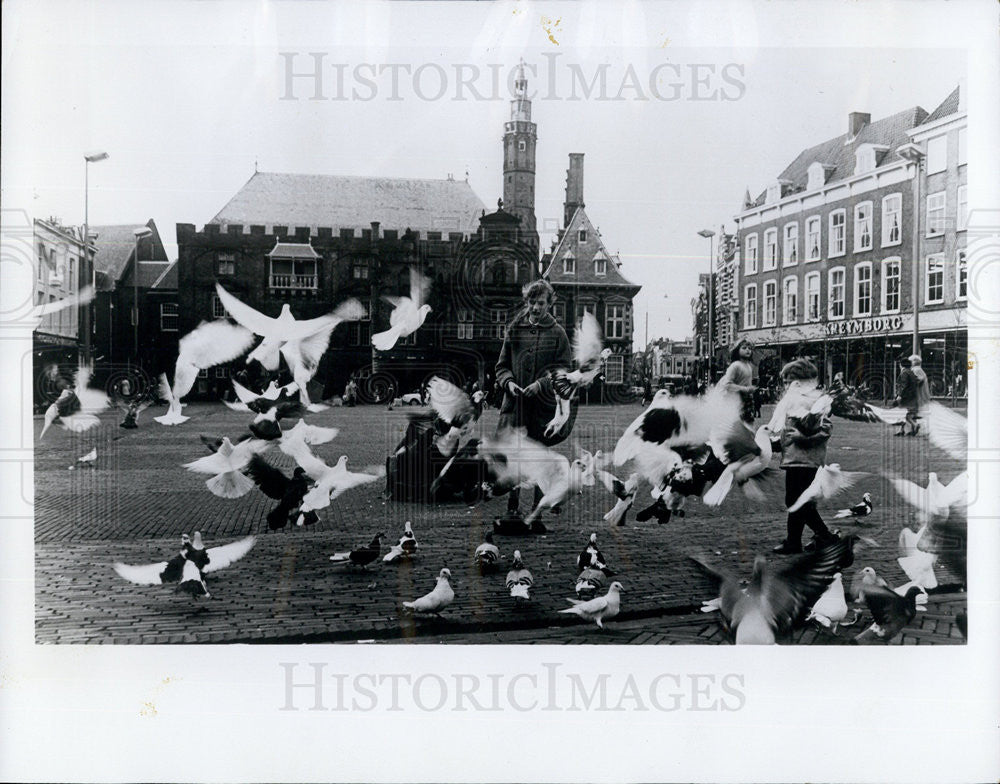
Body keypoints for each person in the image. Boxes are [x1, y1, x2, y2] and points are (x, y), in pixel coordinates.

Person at [493, 279, 574, 534]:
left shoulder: (558, 333)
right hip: (516, 407)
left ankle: (536, 515)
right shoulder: (515, 329)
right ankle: (512, 509)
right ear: (526, 302)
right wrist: (508, 383)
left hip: (542, 409)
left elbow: (564, 373)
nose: (535, 307)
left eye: (540, 303)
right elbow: (501, 366)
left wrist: (540, 385)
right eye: (531, 302)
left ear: (549, 304)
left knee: (539, 457)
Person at [768, 358, 840, 555]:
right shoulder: (794, 402)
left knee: (796, 501)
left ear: (799, 383)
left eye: (787, 382)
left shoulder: (813, 402)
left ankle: (825, 537)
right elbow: (788, 433)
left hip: (806, 461)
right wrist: (772, 445)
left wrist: (802, 439)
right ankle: (796, 541)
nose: (784, 386)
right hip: (795, 459)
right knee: (798, 500)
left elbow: (825, 429)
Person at [719, 339, 757, 422]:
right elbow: (727, 385)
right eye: (744, 348)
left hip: (747, 401)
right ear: (737, 351)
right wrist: (746, 389)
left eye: (749, 348)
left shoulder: (749, 366)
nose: (748, 350)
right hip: (735, 401)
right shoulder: (735, 366)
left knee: (748, 424)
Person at [893, 354, 931, 436]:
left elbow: (910, 383)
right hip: (914, 395)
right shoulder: (914, 370)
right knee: (909, 414)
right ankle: (906, 430)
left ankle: (910, 428)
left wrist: (901, 394)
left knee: (906, 413)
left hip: (911, 396)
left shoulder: (914, 370)